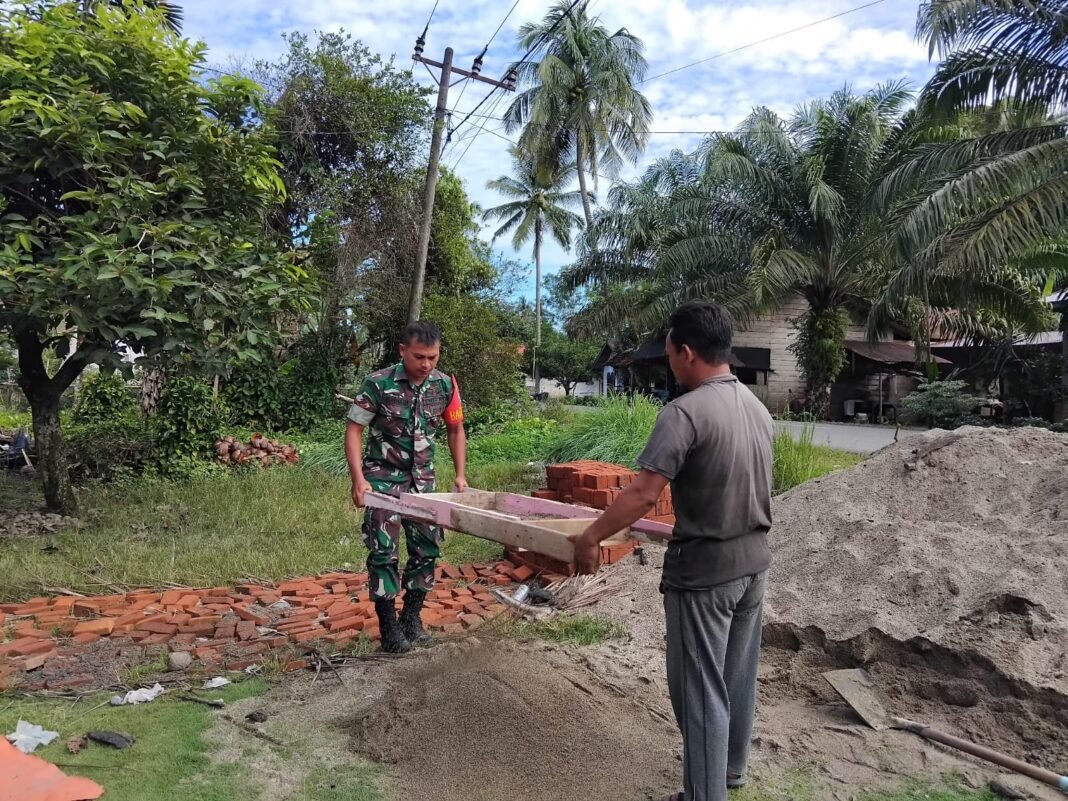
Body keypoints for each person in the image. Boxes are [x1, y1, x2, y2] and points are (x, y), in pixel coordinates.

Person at [571, 302, 773, 801]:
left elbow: (642, 494)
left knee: (700, 691)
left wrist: (590, 537)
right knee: (736, 677)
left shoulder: (684, 413)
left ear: (686, 352)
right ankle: (728, 775)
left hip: (705, 572)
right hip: (753, 564)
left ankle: (705, 795)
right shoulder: (757, 408)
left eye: (669, 356)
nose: (671, 367)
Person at [345, 321, 468, 653]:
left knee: (427, 549)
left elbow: (455, 429)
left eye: (433, 357)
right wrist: (359, 479)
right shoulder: (378, 384)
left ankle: (411, 620)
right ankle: (388, 628)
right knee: (383, 551)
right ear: (403, 351)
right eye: (419, 357)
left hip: (424, 484)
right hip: (383, 480)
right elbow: (354, 429)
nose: (426, 364)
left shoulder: (445, 386)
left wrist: (460, 475)